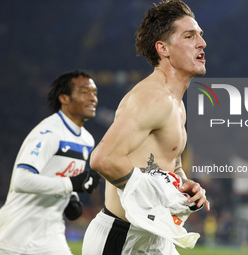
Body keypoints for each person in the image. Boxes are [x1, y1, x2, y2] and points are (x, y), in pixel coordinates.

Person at [82, 1, 210, 254]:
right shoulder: (153, 98)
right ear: (163, 48)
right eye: (189, 36)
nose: (202, 43)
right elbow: (102, 159)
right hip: (122, 238)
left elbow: (168, 163)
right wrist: (156, 192)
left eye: (200, 35)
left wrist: (184, 185)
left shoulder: (176, 103)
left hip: (154, 236)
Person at [0, 70, 101, 255]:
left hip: (51, 235)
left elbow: (60, 176)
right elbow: (21, 180)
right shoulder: (48, 132)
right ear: (64, 98)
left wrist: (72, 198)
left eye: (94, 93)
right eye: (85, 92)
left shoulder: (86, 140)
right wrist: (71, 184)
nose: (92, 98)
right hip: (14, 236)